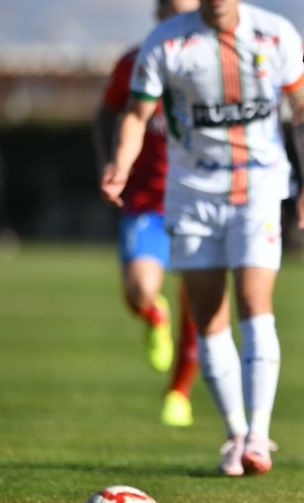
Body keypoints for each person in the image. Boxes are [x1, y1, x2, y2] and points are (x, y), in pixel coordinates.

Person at [101, 0, 304, 476]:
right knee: (207, 316)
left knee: (253, 300)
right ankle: (234, 434)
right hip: (191, 194)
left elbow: (303, 105)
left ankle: (259, 436)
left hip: (259, 188)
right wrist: (120, 163)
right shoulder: (166, 42)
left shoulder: (274, 33)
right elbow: (137, 115)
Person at [93, 0, 202, 429]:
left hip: (198, 201)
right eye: (170, 12)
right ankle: (153, 314)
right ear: (158, 14)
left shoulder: (212, 64)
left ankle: (179, 391)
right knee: (139, 288)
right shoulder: (134, 63)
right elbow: (105, 114)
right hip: (147, 202)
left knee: (200, 301)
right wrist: (108, 160)